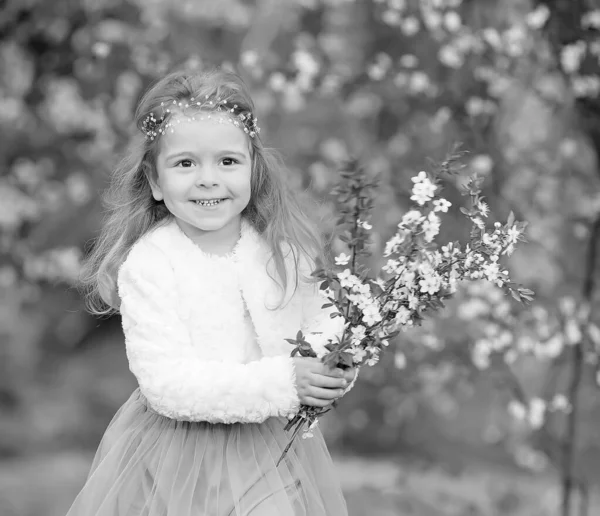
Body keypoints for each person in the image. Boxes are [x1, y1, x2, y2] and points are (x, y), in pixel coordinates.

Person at [66, 67, 356, 516]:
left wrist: (331, 369)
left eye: (227, 161)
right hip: (179, 456)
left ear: (253, 168)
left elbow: (324, 320)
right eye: (185, 163)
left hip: (270, 447)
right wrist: (285, 381)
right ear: (156, 180)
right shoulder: (152, 263)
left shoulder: (283, 248)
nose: (208, 178)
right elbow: (167, 384)